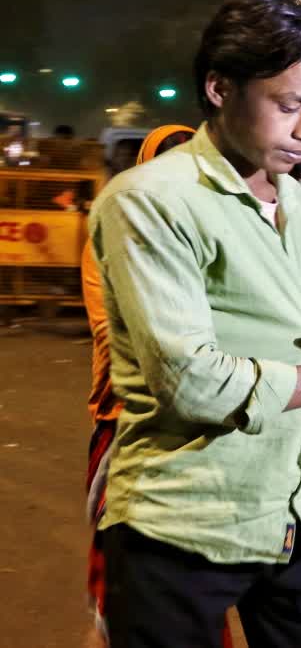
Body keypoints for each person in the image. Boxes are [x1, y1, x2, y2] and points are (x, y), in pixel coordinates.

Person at [87, 0, 301, 647]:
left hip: (293, 520)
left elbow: (274, 322)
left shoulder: (288, 193)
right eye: (290, 106)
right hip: (181, 528)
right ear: (221, 88)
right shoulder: (151, 201)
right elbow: (194, 384)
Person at [82, 125, 198, 648]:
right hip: (127, 419)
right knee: (126, 568)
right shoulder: (116, 227)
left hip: (197, 426)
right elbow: (114, 330)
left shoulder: (209, 229)